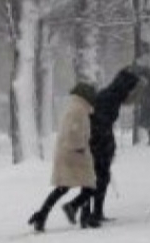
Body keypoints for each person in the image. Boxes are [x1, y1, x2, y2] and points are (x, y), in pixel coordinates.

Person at [64, 65, 150, 227]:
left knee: (98, 177)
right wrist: (105, 139)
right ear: (126, 88)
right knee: (99, 178)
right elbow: (99, 121)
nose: (134, 97)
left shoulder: (109, 95)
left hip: (96, 141)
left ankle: (90, 213)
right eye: (134, 91)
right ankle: (82, 210)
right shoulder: (110, 97)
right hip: (98, 143)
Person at [27, 83, 98, 232]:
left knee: (64, 188)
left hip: (68, 153)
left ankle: (41, 216)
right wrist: (81, 147)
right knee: (90, 186)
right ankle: (73, 208)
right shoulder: (79, 110)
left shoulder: (76, 107)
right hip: (74, 154)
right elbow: (73, 132)